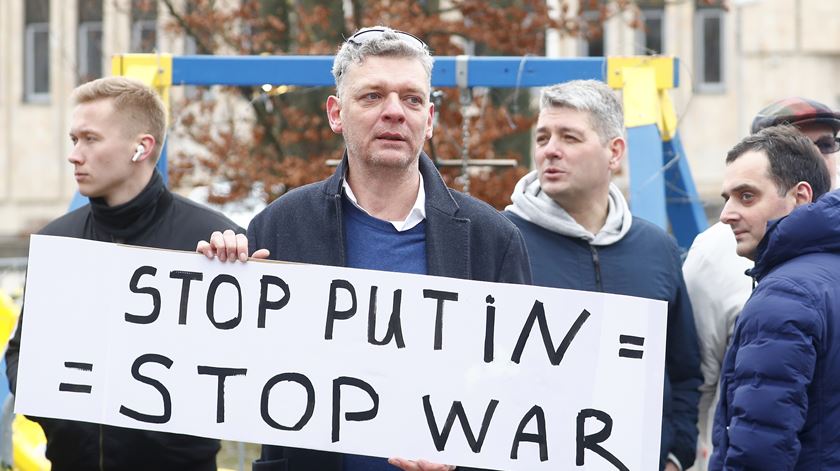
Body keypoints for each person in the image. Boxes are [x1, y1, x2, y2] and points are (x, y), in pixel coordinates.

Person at [197, 26, 531, 471]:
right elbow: (230, 378)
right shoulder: (278, 226)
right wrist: (223, 283)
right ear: (336, 113)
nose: (394, 112)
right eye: (372, 96)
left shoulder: (494, 239)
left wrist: (461, 459)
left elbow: (523, 391)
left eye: (411, 99)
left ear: (429, 120)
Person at [5, 76, 241, 470]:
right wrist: (56, 414)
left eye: (90, 139)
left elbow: (247, 363)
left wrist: (244, 272)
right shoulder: (57, 241)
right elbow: (21, 351)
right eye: (73, 139)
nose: (74, 155)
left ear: (141, 147)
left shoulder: (211, 242)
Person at [504, 80, 701, 471]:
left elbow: (684, 370)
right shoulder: (500, 240)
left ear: (615, 152)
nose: (549, 150)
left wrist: (677, 454)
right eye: (542, 137)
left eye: (569, 137)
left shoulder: (657, 249)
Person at [682, 97, 840, 468]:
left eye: (747, 196)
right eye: (727, 198)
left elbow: (759, 451)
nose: (727, 214)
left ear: (800, 194)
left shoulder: (783, 295)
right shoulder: (714, 255)